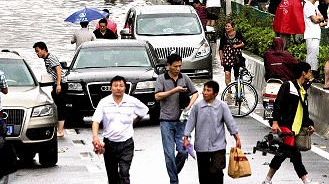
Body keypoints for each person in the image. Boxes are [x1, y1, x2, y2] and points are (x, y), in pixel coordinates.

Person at [262, 62, 318, 184]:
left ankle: (267, 180)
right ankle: (306, 180)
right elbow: (278, 104)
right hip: (285, 127)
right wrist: (275, 122)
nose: (310, 74)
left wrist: (310, 124)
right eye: (309, 71)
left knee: (282, 154)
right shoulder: (288, 86)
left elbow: (303, 111)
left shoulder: (302, 90)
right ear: (303, 73)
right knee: (294, 154)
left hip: (295, 128)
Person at [92, 76, 149, 184]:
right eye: (116, 86)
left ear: (125, 88)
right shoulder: (104, 102)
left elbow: (144, 111)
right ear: (111, 88)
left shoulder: (131, 101)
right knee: (112, 176)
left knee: (124, 172)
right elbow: (96, 120)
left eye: (121, 86)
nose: (118, 88)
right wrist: (95, 137)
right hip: (109, 144)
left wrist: (134, 122)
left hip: (127, 143)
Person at [182, 81, 242, 184]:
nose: (205, 92)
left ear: (215, 93)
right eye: (204, 90)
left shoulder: (222, 106)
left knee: (217, 172)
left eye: (208, 90)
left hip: (218, 146)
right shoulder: (197, 106)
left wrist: (237, 137)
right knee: (203, 174)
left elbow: (230, 123)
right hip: (201, 146)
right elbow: (190, 123)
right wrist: (186, 138)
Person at [154, 54, 199, 184]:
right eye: (175, 66)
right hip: (166, 121)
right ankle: (174, 181)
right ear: (168, 65)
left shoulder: (184, 78)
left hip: (182, 122)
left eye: (180, 66)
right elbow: (157, 96)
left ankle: (173, 174)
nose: (178, 69)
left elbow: (195, 93)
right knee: (169, 154)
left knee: (183, 152)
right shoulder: (161, 79)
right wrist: (174, 91)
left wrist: (189, 107)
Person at [33, 42, 66, 138]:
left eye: (38, 51)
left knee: (60, 106)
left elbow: (58, 70)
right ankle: (58, 128)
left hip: (61, 83)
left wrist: (59, 84)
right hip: (56, 84)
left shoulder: (51, 58)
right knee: (56, 105)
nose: (37, 53)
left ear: (43, 49)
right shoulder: (46, 59)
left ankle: (60, 131)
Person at [303, 0, 324, 73]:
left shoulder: (314, 6)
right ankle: (309, 74)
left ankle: (311, 73)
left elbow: (321, 17)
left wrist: (319, 18)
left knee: (314, 54)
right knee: (311, 55)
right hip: (311, 33)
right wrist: (319, 18)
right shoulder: (308, 5)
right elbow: (315, 20)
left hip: (315, 33)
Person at [219, 20, 246, 86]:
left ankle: (238, 90)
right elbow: (220, 49)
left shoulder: (238, 34)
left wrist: (237, 46)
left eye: (228, 26)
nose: (226, 27)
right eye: (226, 26)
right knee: (227, 74)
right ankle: (229, 90)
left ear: (232, 27)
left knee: (236, 74)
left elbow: (244, 43)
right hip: (227, 57)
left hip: (236, 57)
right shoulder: (224, 37)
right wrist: (221, 59)